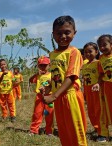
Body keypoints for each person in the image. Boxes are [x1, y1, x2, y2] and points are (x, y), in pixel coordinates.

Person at [44, 15, 87, 146]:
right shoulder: (52, 54)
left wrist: (54, 96)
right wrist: (49, 87)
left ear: (74, 33)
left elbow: (71, 76)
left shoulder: (74, 52)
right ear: (53, 34)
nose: (63, 36)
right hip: (58, 98)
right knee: (64, 130)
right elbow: (56, 74)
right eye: (59, 33)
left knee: (76, 130)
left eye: (67, 32)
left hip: (70, 95)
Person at [29, 56, 54, 136]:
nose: (43, 67)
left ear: (49, 65)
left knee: (49, 114)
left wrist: (50, 82)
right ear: (38, 66)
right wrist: (36, 74)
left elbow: (55, 85)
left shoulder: (51, 75)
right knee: (37, 113)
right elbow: (30, 80)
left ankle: (49, 131)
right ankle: (34, 130)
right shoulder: (38, 75)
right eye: (41, 65)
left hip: (49, 97)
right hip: (39, 97)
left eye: (45, 65)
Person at [82, 42, 103, 137]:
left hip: (96, 90)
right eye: (85, 52)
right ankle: (96, 127)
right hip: (87, 89)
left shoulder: (98, 63)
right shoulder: (85, 65)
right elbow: (84, 78)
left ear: (96, 52)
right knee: (90, 110)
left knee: (98, 110)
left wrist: (98, 84)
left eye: (90, 51)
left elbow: (101, 75)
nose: (87, 54)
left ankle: (101, 131)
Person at [96, 34, 112, 142]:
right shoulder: (101, 59)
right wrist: (98, 84)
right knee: (107, 110)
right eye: (100, 46)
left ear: (111, 44)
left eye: (104, 45)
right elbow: (101, 74)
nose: (102, 48)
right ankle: (104, 134)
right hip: (107, 86)